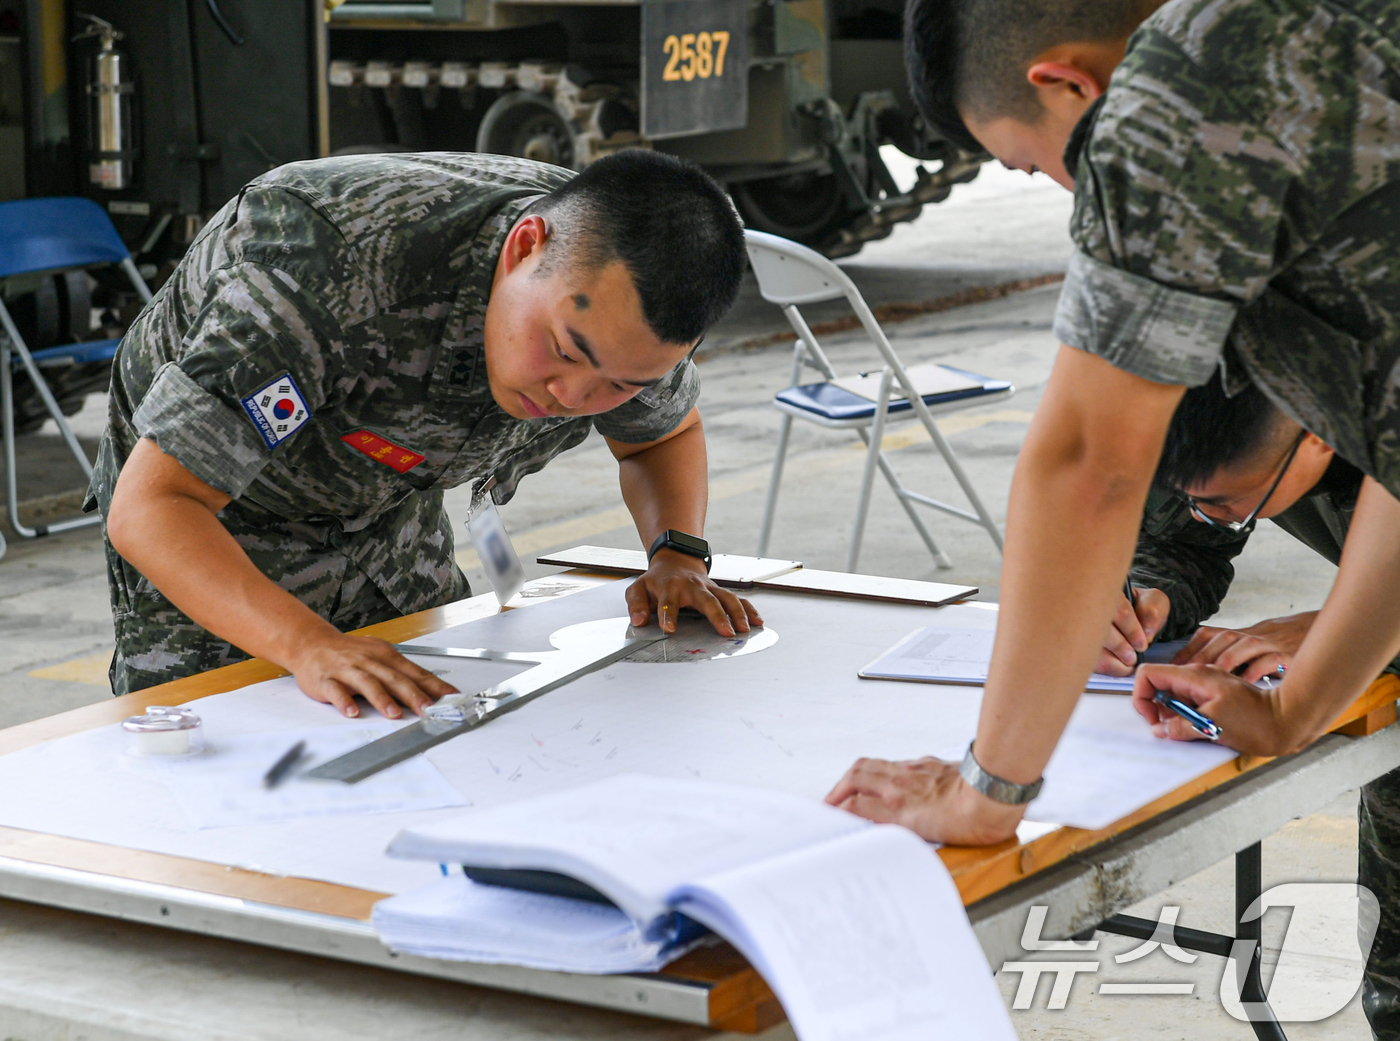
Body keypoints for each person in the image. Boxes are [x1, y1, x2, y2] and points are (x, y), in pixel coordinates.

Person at [826, 1, 1400, 1031]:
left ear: (1066, 85)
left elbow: (1088, 461)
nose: (1074, 202)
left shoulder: (1180, 88)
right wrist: (1298, 701)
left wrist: (985, 790)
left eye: (1036, 167)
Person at [90, 149, 759, 722]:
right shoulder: (324, 269)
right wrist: (305, 643)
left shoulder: (626, 308)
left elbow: (660, 436)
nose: (572, 397)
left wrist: (676, 557)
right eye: (564, 349)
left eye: (619, 383)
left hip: (385, 502)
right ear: (526, 247)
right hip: (217, 516)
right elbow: (154, 507)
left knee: (437, 721)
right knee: (214, 746)